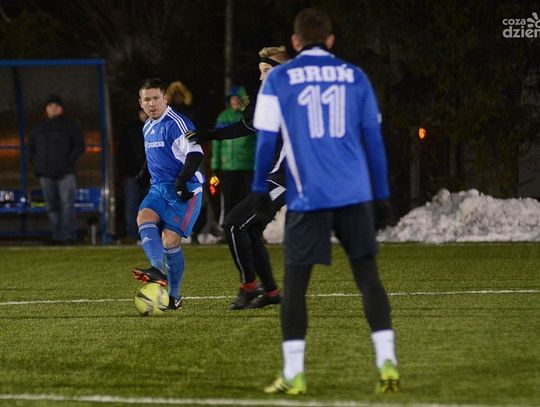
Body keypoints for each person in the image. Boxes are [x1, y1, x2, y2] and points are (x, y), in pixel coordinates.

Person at [251, 8, 399, 395]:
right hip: (354, 194)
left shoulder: (279, 78)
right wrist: (382, 195)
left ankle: (294, 373)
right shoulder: (355, 76)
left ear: (295, 42)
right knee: (368, 278)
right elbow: (373, 141)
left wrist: (258, 188)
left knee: (296, 285)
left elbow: (266, 140)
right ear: (331, 41)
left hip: (308, 196)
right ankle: (387, 362)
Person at [186, 46, 289, 310]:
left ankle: (248, 288)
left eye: (266, 70)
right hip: (273, 177)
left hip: (285, 179)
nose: (261, 76)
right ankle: (271, 292)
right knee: (249, 229)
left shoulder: (292, 99)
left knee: (233, 224)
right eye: (260, 71)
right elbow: (246, 126)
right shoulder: (274, 98)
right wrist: (211, 135)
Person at [131, 78, 204, 310]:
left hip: (187, 189)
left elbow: (196, 154)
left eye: (156, 98)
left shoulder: (178, 123)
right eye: (147, 99)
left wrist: (182, 181)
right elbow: (156, 153)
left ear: (165, 98)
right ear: (141, 103)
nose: (151, 103)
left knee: (170, 241)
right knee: (143, 217)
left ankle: (174, 296)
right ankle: (156, 269)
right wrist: (144, 171)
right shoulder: (147, 126)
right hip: (159, 188)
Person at [28, 94, 85, 245]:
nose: (53, 108)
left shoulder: (70, 125)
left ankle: (68, 236)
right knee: (52, 206)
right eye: (50, 106)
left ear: (61, 108)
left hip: (66, 172)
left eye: (56, 106)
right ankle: (58, 235)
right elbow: (30, 147)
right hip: (45, 173)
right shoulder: (38, 126)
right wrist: (36, 163)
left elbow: (79, 145)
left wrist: (68, 161)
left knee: (66, 205)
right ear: (46, 108)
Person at [211, 85, 256, 223]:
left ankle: (249, 227)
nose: (235, 101)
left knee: (248, 200)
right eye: (232, 99)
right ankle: (227, 227)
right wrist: (215, 164)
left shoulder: (251, 117)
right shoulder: (223, 117)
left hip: (248, 167)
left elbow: (259, 141)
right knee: (229, 200)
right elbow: (216, 142)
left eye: (238, 98)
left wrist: (258, 164)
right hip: (228, 168)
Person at [118, 108, 148, 242]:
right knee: (131, 206)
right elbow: (123, 152)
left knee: (149, 207)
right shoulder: (130, 130)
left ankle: (148, 235)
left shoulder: (158, 127)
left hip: (150, 176)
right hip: (132, 174)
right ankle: (132, 235)